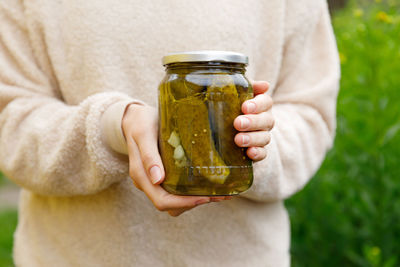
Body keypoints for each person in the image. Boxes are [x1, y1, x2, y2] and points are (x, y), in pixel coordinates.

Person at [0, 0, 339, 266]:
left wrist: (251, 143)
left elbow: (310, 113)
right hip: (68, 258)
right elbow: (9, 118)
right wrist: (111, 128)